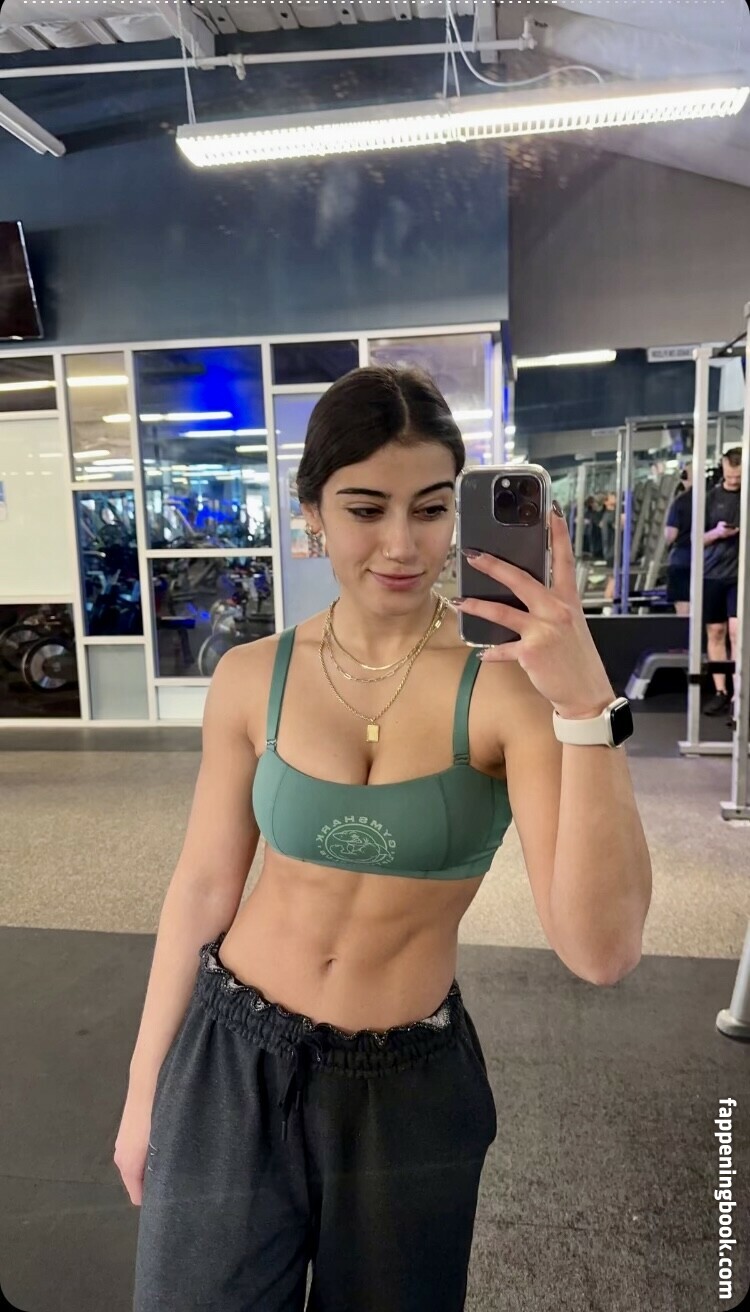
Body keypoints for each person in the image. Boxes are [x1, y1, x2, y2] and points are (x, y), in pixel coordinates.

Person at [117, 365, 635, 1312]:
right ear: (312, 512)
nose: (403, 544)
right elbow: (201, 889)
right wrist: (146, 1083)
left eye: (431, 509)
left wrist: (586, 700)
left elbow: (599, 952)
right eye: (365, 508)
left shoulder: (509, 689)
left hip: (407, 1089)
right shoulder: (252, 675)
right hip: (231, 1058)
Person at [702, 448, 742, 723]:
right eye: (730, 475)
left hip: (740, 576)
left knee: (737, 633)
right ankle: (721, 691)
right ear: (723, 468)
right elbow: (696, 540)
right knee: (716, 632)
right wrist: (717, 533)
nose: (734, 480)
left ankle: (740, 695)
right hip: (713, 574)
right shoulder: (711, 498)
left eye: (738, 476)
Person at [664, 464, 693, 618]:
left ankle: (686, 632)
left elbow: (671, 535)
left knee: (684, 611)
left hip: (682, 560)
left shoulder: (680, 502)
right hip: (710, 562)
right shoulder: (712, 497)